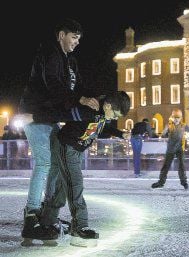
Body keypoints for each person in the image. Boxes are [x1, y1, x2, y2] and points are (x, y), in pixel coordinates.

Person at [18, 18, 100, 243]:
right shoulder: (50, 54)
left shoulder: (70, 61)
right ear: (62, 34)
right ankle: (31, 217)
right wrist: (80, 99)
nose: (76, 42)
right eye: (74, 37)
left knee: (56, 163)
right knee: (45, 162)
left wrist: (94, 99)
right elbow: (54, 85)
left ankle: (47, 214)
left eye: (79, 39)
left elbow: (78, 87)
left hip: (50, 118)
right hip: (34, 114)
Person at [28, 91, 130, 247]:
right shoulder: (89, 110)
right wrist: (35, 116)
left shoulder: (103, 113)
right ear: (108, 106)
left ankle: (47, 222)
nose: (115, 118)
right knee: (75, 185)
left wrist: (120, 133)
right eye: (115, 114)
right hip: (66, 146)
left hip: (76, 150)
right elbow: (62, 113)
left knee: (63, 187)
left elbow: (102, 127)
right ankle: (80, 227)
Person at [151, 109, 189, 190]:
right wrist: (166, 127)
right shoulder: (169, 125)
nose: (176, 119)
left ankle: (184, 182)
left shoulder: (184, 125)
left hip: (180, 149)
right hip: (170, 149)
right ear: (172, 117)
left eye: (178, 117)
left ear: (181, 118)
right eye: (175, 117)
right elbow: (163, 133)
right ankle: (161, 182)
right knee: (166, 166)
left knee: (181, 165)